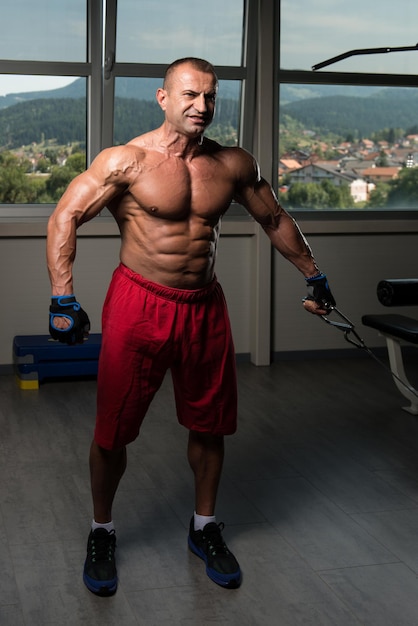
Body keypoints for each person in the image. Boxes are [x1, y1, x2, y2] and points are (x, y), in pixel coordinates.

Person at [46, 57, 335, 596]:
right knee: (113, 429)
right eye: (189, 95)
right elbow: (65, 214)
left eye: (209, 96)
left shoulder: (231, 164)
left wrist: (313, 276)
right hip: (139, 304)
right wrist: (62, 295)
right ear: (162, 98)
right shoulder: (126, 161)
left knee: (211, 424)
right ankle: (101, 531)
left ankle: (204, 527)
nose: (201, 106)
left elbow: (273, 218)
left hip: (204, 307)